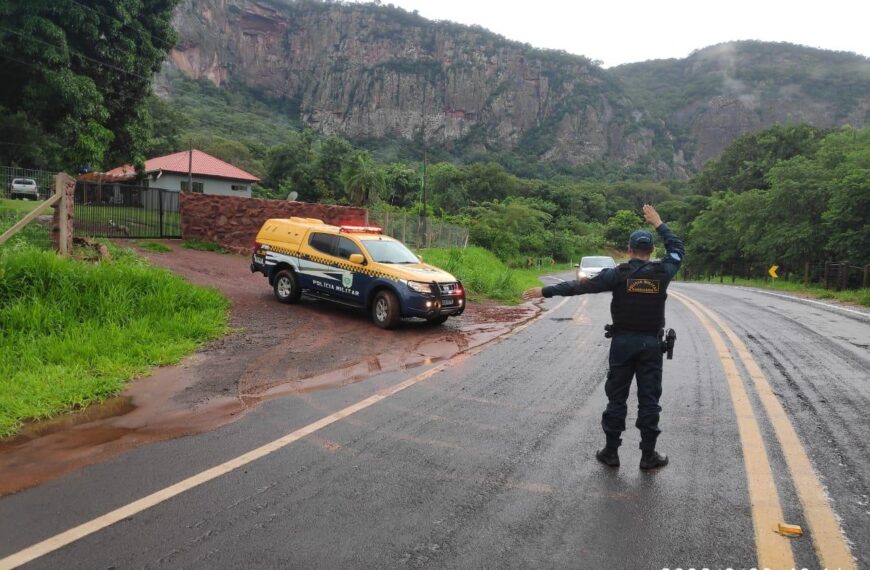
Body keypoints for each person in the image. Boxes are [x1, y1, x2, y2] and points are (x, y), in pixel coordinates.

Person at [523, 205, 684, 470]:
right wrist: (659, 223)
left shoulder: (618, 274)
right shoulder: (662, 272)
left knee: (616, 398)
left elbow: (579, 286)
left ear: (629, 250)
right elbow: (678, 248)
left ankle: (611, 452)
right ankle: (648, 456)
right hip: (651, 346)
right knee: (649, 400)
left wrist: (545, 291)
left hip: (622, 345)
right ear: (652, 251)